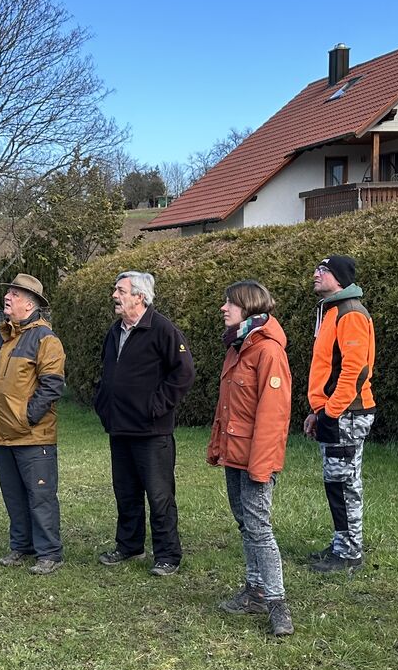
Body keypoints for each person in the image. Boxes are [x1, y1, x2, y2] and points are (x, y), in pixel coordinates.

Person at [207, 280, 294, 637]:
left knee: (259, 528)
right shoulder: (237, 346)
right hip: (235, 453)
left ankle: (277, 604)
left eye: (230, 303)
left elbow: (274, 416)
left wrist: (261, 466)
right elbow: (229, 406)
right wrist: (219, 447)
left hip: (254, 458)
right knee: (246, 523)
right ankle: (255, 590)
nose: (223, 309)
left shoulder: (268, 351)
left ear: (249, 308)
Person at [94, 271, 195, 577]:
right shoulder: (115, 331)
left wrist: (156, 407)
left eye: (121, 291)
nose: (115, 295)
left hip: (152, 432)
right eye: (116, 290)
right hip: (120, 427)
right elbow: (107, 371)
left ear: (139, 296)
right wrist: (103, 402)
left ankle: (167, 555)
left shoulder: (162, 329)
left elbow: (184, 372)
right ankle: (129, 546)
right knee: (125, 491)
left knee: (159, 494)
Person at [0, 274, 67, 575]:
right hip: (1, 434)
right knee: (13, 496)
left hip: (33, 436)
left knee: (40, 496)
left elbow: (51, 387)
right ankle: (21, 546)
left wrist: (26, 417)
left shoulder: (46, 339)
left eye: (15, 294)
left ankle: (49, 553)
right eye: (10, 292)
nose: (8, 297)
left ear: (30, 304)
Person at [304, 255, 376, 575]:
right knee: (336, 482)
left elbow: (355, 371)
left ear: (339, 278)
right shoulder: (332, 311)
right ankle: (342, 543)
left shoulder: (350, 313)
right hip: (335, 412)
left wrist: (330, 412)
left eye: (323, 271)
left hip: (347, 413)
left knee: (345, 483)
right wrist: (317, 411)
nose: (316, 274)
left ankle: (349, 552)